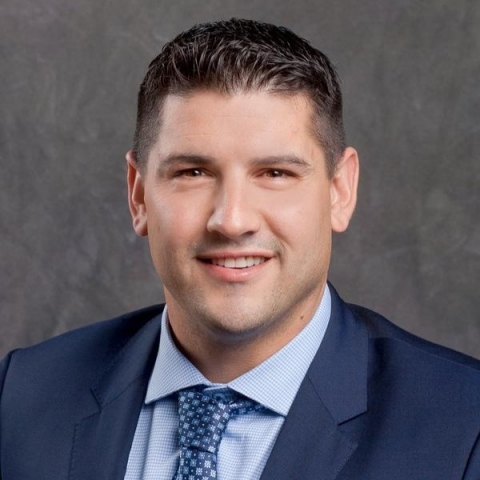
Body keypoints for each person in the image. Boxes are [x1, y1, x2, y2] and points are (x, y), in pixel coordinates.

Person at [1, 18, 479, 480]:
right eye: (193, 172)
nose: (231, 220)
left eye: (275, 174)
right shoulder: (19, 397)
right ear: (139, 194)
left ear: (340, 191)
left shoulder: (463, 426)